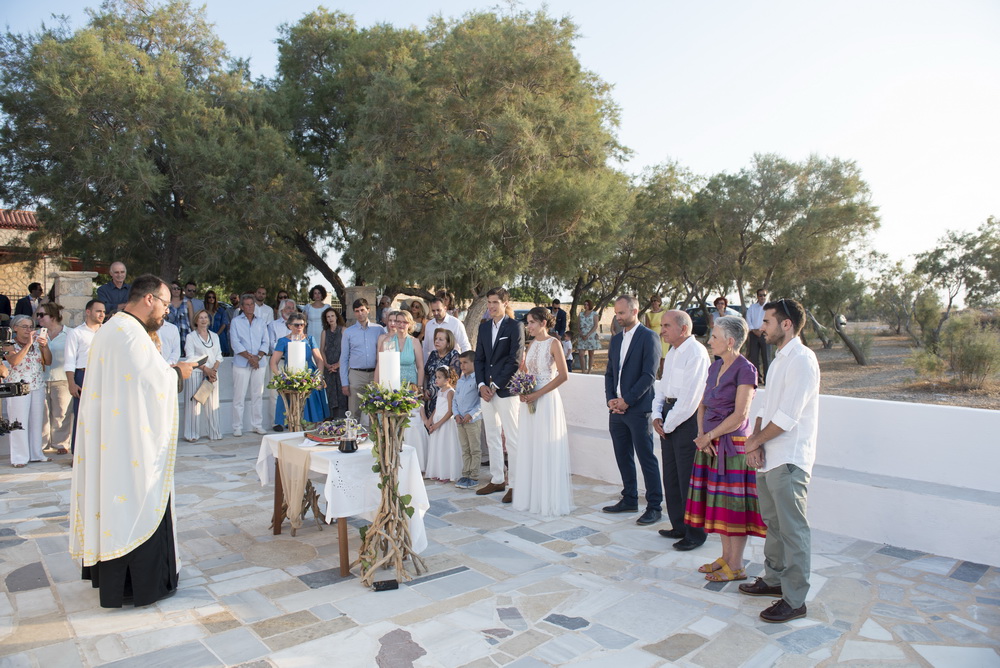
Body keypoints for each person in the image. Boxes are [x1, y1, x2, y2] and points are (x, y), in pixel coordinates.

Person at [69, 274, 196, 608]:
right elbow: (153, 383)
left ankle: (116, 581)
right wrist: (178, 373)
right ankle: (140, 586)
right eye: (165, 304)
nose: (167, 311)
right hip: (129, 443)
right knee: (138, 504)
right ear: (149, 299)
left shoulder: (113, 328)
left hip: (116, 434)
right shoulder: (131, 334)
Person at [740, 298, 820, 624]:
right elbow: (765, 408)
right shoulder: (778, 360)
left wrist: (754, 442)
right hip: (769, 456)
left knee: (793, 530)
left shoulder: (802, 360)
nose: (761, 328)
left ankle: (795, 600)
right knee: (773, 524)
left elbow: (787, 417)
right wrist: (755, 443)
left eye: (767, 322)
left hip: (789, 458)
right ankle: (774, 579)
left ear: (786, 324)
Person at [683, 316, 765, 579]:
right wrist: (702, 435)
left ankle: (736, 565)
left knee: (733, 507)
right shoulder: (714, 367)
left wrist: (709, 436)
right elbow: (703, 404)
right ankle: (726, 558)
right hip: (709, 444)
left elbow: (740, 415)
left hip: (732, 447)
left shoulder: (746, 370)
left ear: (730, 341)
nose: (710, 341)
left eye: (715, 337)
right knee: (718, 505)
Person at [652, 310, 711, 549]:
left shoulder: (696, 353)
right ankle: (679, 525)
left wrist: (668, 423)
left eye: (667, 326)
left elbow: (690, 399)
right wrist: (657, 414)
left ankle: (695, 533)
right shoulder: (673, 352)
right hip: (669, 416)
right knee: (672, 475)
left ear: (683, 328)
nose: (662, 330)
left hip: (686, 420)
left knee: (688, 478)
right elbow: (662, 387)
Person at [603, 295, 663, 525]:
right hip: (616, 410)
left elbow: (649, 375)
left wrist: (627, 400)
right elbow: (610, 372)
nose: (618, 317)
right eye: (616, 313)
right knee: (623, 455)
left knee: (646, 458)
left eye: (621, 313)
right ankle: (629, 498)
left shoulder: (649, 337)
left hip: (639, 409)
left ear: (634, 311)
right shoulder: (616, 339)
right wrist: (611, 399)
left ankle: (654, 506)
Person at [514, 307, 574, 516]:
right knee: (531, 446)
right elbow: (526, 371)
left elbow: (563, 375)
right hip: (530, 399)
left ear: (543, 323)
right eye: (527, 322)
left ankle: (547, 500)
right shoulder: (531, 344)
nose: (528, 326)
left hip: (546, 399)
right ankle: (532, 497)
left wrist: (537, 394)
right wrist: (522, 389)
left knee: (544, 447)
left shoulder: (554, 343)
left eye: (531, 322)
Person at [474, 287, 524, 503]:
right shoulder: (484, 327)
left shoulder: (515, 326)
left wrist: (495, 385)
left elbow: (515, 359)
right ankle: (497, 479)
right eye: (489, 302)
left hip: (506, 390)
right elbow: (479, 359)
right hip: (486, 391)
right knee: (492, 436)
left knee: (512, 438)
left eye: (495, 302)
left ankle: (515, 484)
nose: (491, 306)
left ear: (505, 303)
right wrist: (481, 385)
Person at [377, 310, 427, 469]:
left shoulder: (414, 342)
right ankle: (391, 458)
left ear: (410, 324)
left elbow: (420, 366)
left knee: (410, 423)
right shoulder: (387, 341)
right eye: (398, 321)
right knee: (392, 422)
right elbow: (380, 364)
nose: (400, 324)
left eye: (404, 322)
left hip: (410, 386)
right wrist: (376, 386)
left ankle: (412, 462)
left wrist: (419, 388)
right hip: (391, 385)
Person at [5, 314, 52, 467]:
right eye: (24, 327)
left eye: (31, 326)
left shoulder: (37, 343)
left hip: (37, 385)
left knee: (36, 421)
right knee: (18, 422)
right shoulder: (8, 344)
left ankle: (36, 453)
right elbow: (14, 361)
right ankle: (19, 457)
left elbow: (48, 361)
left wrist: (44, 346)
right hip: (17, 388)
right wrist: (28, 345)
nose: (28, 330)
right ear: (15, 328)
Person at [270, 312, 329, 427]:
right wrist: (281, 378)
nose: (299, 327)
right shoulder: (283, 341)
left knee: (313, 410)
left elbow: (319, 360)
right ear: (289, 326)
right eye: (296, 325)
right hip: (292, 375)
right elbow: (273, 362)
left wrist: (319, 376)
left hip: (310, 376)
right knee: (293, 410)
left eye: (302, 324)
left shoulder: (309, 339)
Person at [64, 299, 106, 450]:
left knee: (103, 416)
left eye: (104, 311)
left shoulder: (108, 332)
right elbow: (69, 360)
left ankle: (100, 452)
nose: (102, 314)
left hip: (104, 376)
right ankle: (78, 454)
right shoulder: (76, 333)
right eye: (98, 311)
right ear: (88, 312)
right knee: (82, 415)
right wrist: (71, 383)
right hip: (83, 376)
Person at [339, 298, 385, 423]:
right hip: (356, 374)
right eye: (357, 311)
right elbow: (344, 358)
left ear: (368, 310)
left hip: (375, 373)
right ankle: (353, 435)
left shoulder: (379, 329)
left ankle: (375, 434)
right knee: (354, 412)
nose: (360, 313)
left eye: (362, 310)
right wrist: (344, 383)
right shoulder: (348, 332)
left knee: (376, 410)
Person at [230, 293, 269, 437]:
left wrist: (257, 358)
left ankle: (257, 425)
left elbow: (266, 341)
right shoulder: (236, 322)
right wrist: (250, 358)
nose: (250, 307)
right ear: (241, 306)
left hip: (259, 363)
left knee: (257, 395)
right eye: (247, 304)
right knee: (239, 396)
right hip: (241, 363)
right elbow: (235, 343)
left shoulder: (261, 322)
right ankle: (237, 426)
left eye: (252, 304)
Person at [37, 303, 73, 455]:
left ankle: (61, 443)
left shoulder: (70, 334)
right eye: (37, 315)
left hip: (61, 378)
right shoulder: (37, 334)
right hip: (41, 379)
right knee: (42, 414)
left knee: (62, 413)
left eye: (42, 315)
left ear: (52, 316)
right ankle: (41, 443)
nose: (38, 318)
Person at [183, 310, 223, 442]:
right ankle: (192, 434)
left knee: (213, 404)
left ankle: (215, 433)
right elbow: (190, 357)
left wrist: (213, 371)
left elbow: (218, 355)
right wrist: (205, 369)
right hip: (196, 373)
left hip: (212, 374)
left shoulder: (214, 336)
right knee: (194, 405)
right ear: (196, 320)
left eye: (205, 317)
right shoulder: (191, 337)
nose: (203, 320)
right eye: (200, 318)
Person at [424, 366, 462, 482]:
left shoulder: (450, 392)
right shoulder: (440, 391)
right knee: (438, 447)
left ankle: (446, 473)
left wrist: (437, 425)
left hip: (445, 423)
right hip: (437, 421)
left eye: (439, 377)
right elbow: (437, 407)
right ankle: (438, 471)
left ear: (448, 380)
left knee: (445, 447)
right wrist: (430, 420)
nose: (436, 379)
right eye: (436, 377)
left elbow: (450, 411)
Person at [452, 351, 482, 489]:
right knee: (465, 448)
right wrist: (456, 414)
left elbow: (481, 401)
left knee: (474, 449)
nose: (462, 366)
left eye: (465, 363)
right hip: (460, 420)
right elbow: (455, 400)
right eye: (460, 363)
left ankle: (473, 476)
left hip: (472, 421)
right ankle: (465, 474)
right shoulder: (460, 381)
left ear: (474, 363)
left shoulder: (478, 380)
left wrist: (471, 414)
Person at [423, 329, 462, 424]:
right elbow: (426, 374)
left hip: (444, 397)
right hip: (429, 396)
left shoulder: (454, 355)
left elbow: (454, 380)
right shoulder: (433, 354)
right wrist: (425, 389)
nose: (437, 341)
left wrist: (441, 393)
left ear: (448, 343)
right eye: (436, 338)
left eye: (441, 339)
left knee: (438, 424)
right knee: (428, 426)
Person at [421, 297, 471, 362]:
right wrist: (425, 364)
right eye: (433, 310)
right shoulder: (429, 325)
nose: (436, 313)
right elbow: (426, 347)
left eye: (438, 310)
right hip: (433, 363)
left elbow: (465, 345)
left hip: (452, 363)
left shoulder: (456, 323)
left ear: (445, 308)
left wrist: (464, 363)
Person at [320, 307, 347, 420]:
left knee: (341, 391)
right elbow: (322, 349)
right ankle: (331, 417)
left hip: (341, 365)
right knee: (330, 391)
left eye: (332, 316)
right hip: (329, 367)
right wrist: (326, 364)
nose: (330, 318)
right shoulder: (324, 332)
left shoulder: (344, 330)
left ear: (336, 317)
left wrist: (338, 364)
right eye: (328, 317)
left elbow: (346, 349)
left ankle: (342, 417)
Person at [745, 288, 770, 385]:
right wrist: (754, 330)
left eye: (764, 295)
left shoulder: (769, 308)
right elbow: (748, 319)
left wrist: (761, 330)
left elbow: (769, 321)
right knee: (754, 357)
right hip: (754, 334)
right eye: (760, 295)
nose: (762, 297)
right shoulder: (752, 307)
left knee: (766, 358)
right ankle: (757, 379)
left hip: (765, 334)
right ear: (757, 296)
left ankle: (767, 379)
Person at [165, 281, 193, 356]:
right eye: (174, 288)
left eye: (178, 288)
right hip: (170, 333)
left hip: (185, 332)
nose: (176, 290)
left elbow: (191, 320)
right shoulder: (166, 303)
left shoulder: (187, 302)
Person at [643, 296, 669, 375]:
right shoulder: (648, 314)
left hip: (663, 335)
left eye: (655, 300)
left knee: (663, 357)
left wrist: (662, 333)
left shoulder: (664, 312)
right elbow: (647, 327)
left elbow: (667, 324)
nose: (654, 302)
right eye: (652, 301)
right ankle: (654, 374)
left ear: (659, 302)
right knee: (654, 356)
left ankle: (662, 375)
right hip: (653, 336)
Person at [203, 290, 231, 357]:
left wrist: (217, 334)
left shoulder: (221, 310)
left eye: (213, 297)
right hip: (208, 335)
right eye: (209, 297)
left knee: (221, 356)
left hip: (220, 335)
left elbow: (224, 323)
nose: (211, 299)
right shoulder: (204, 311)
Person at [576, 299, 600, 374]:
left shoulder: (594, 314)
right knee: (581, 354)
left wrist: (588, 334)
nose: (586, 306)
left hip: (591, 335)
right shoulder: (581, 314)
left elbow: (595, 325)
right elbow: (578, 326)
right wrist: (581, 334)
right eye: (585, 304)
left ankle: (589, 370)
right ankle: (583, 370)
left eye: (587, 304)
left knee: (591, 353)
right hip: (582, 335)